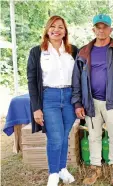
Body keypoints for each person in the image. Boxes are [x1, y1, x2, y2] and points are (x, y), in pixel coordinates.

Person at [71, 14, 113, 185]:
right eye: (98, 27)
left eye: (105, 27)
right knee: (94, 136)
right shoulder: (84, 52)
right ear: (93, 29)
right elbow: (76, 80)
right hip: (91, 102)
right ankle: (95, 167)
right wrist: (77, 103)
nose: (102, 30)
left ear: (111, 29)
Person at [27, 15, 78, 186]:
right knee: (55, 137)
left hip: (70, 97)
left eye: (60, 27)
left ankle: (62, 168)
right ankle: (54, 173)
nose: (56, 30)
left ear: (65, 32)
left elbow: (80, 77)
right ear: (47, 29)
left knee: (64, 136)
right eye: (53, 26)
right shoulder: (37, 52)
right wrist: (36, 108)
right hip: (49, 98)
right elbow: (32, 81)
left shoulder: (73, 51)